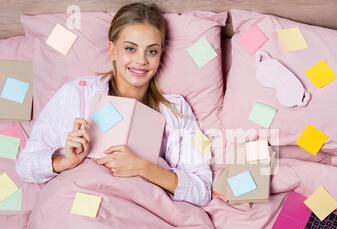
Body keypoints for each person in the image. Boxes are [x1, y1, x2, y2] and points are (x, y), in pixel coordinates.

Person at [16, 2, 212, 207]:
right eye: (130, 49)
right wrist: (65, 162)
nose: (141, 60)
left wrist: (142, 167)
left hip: (139, 210)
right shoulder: (77, 93)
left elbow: (202, 190)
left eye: (151, 51)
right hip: (76, 203)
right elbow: (25, 165)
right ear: (112, 50)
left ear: (161, 54)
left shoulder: (177, 110)